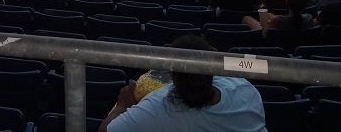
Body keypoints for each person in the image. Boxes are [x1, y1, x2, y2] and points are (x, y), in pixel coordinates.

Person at [98, 35, 266, 132]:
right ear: (212, 68)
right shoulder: (245, 90)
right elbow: (256, 65)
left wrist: (122, 104)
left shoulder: (157, 106)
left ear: (172, 75)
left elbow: (105, 130)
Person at [243, 0, 315, 32]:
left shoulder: (278, 20)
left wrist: (265, 12)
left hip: (272, 38)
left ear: (287, 2)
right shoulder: (309, 18)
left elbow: (265, 31)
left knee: (247, 18)